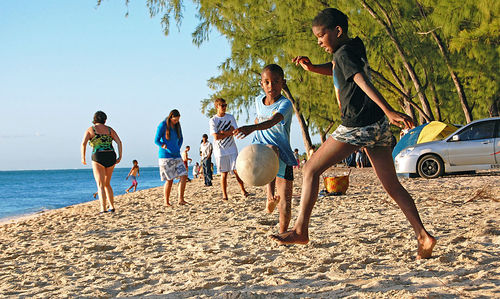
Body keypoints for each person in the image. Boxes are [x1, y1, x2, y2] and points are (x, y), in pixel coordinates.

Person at [271, 8, 436, 260]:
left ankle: (300, 229)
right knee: (392, 185)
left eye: (321, 36)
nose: (318, 41)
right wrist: (314, 68)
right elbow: (341, 68)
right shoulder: (352, 48)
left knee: (311, 169)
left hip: (357, 125)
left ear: (337, 31)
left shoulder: (343, 52)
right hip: (378, 126)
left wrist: (389, 109)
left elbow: (359, 79)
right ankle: (423, 235)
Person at [234, 64, 298, 234]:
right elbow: (260, 118)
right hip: (260, 153)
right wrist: (254, 124)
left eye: (276, 81)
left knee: (285, 200)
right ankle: (269, 196)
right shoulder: (257, 101)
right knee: (270, 149)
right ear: (261, 84)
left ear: (283, 83)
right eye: (267, 82)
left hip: (283, 155)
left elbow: (273, 120)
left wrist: (251, 128)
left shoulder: (285, 104)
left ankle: (283, 232)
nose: (271, 86)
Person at [81, 111, 122, 213]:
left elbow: (83, 143)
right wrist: (120, 156)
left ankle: (103, 209)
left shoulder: (91, 129)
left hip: (98, 156)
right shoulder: (109, 129)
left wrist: (83, 157)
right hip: (111, 155)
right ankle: (112, 206)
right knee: (107, 183)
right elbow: (119, 142)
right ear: (105, 119)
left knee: (100, 184)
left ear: (94, 119)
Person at [209, 98, 249, 201]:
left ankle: (243, 190)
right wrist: (227, 132)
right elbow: (216, 137)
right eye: (222, 105)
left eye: (225, 105)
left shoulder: (230, 117)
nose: (224, 107)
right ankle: (224, 195)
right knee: (224, 174)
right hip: (220, 151)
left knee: (237, 171)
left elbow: (235, 131)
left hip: (232, 149)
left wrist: (223, 132)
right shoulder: (213, 120)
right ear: (217, 106)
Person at [154, 109, 188, 206]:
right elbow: (156, 140)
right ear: (171, 117)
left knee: (184, 175)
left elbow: (181, 138)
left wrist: (178, 146)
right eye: (175, 120)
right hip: (166, 156)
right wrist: (163, 145)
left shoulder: (177, 126)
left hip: (176, 155)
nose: (176, 122)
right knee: (170, 179)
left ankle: (181, 199)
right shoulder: (162, 125)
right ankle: (166, 201)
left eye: (177, 120)